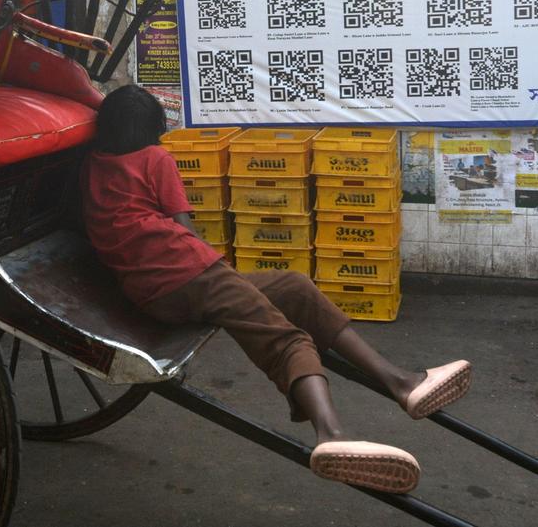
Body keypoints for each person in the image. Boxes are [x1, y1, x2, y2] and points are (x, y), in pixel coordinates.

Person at [81, 85, 472, 495]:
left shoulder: (94, 165)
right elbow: (183, 228)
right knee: (287, 339)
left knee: (293, 287)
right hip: (186, 273)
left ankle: (400, 382)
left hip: (152, 292)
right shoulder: (155, 158)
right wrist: (217, 270)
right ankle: (332, 435)